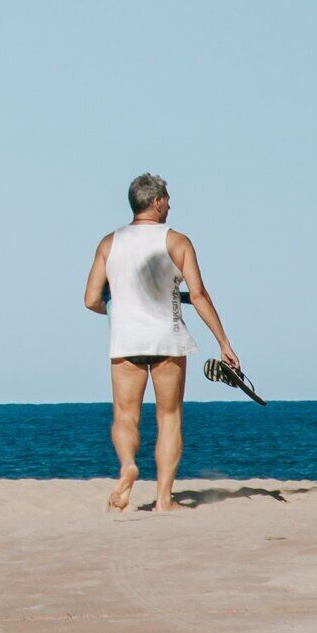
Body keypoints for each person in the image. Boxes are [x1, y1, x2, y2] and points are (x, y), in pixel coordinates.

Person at [82, 172, 240, 513]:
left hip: (126, 339)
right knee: (169, 417)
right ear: (155, 202)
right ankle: (165, 500)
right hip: (167, 339)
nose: (170, 204)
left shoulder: (109, 243)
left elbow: (91, 299)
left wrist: (119, 306)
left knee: (126, 415)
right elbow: (197, 295)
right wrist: (223, 342)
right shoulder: (177, 241)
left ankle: (127, 466)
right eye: (167, 198)